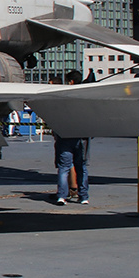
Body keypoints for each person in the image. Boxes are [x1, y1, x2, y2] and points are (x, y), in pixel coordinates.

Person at [54, 71, 89, 205]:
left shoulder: (63, 98)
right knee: (81, 167)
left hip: (65, 135)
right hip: (80, 136)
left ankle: (62, 196)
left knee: (64, 168)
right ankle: (83, 196)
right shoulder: (83, 98)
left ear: (71, 82)